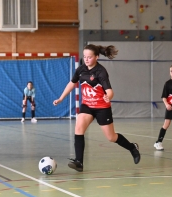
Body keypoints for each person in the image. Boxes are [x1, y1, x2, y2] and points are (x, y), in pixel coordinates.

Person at [53, 44, 141, 172]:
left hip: (101, 107)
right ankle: (79, 162)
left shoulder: (101, 72)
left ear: (96, 57)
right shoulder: (80, 70)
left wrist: (108, 97)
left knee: (111, 137)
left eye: (89, 57)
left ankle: (132, 147)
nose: (86, 59)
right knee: (78, 128)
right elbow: (72, 83)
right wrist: (61, 98)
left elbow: (110, 91)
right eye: (85, 57)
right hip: (87, 106)